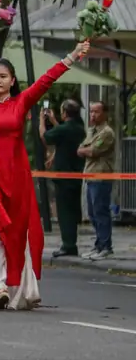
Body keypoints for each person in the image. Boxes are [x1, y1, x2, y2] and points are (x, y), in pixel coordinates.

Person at [0, 41, 90, 310]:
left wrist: (72, 56)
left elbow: (46, 80)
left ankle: (15, 286)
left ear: (12, 81)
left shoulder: (21, 102)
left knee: (16, 232)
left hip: (16, 177)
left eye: (3, 76)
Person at [40, 98, 86, 258]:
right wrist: (54, 121)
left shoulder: (65, 129)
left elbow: (45, 137)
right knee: (72, 211)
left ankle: (68, 245)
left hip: (64, 176)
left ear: (65, 113)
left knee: (65, 213)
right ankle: (70, 242)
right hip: (76, 174)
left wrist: (42, 121)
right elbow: (62, 136)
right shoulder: (79, 128)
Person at [77, 100, 118, 260]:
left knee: (101, 212)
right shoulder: (91, 131)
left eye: (96, 112)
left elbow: (93, 151)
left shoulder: (107, 133)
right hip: (90, 175)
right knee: (92, 213)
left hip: (101, 176)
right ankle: (99, 244)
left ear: (105, 114)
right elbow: (81, 149)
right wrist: (84, 150)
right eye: (91, 111)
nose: (93, 115)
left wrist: (85, 150)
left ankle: (106, 246)